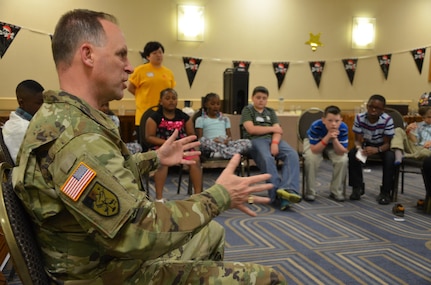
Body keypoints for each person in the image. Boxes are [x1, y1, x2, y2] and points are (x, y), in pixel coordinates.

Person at [12, 9, 285, 284]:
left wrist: (154, 158)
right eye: (121, 54)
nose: (130, 67)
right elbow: (138, 232)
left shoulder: (62, 119)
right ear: (88, 55)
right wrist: (220, 196)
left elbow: (92, 181)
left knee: (211, 232)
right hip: (108, 273)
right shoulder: (77, 141)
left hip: (100, 256)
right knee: (268, 279)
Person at [241, 86, 302, 211]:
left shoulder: (270, 112)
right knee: (267, 158)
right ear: (252, 98)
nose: (261, 101)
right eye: (258, 98)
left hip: (273, 140)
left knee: (292, 154)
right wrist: (272, 129)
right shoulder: (248, 110)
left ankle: (287, 189)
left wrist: (274, 143)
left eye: (264, 98)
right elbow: (251, 129)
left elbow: (278, 131)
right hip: (255, 140)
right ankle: (276, 196)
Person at [145, 88, 202, 202]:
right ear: (161, 101)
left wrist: (178, 143)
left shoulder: (184, 116)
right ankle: (159, 197)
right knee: (161, 162)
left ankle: (198, 195)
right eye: (167, 98)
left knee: (195, 160)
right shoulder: (154, 117)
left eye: (174, 98)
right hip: (161, 147)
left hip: (180, 147)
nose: (171, 101)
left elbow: (191, 134)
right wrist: (168, 144)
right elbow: (149, 137)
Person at [348, 94, 396, 204]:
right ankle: (357, 188)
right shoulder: (359, 117)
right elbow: (357, 140)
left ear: (382, 109)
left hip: (382, 146)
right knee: (353, 154)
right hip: (366, 144)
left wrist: (377, 150)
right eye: (370, 106)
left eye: (377, 108)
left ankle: (385, 192)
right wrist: (359, 148)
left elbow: (388, 144)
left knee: (390, 158)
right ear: (367, 106)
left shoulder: (387, 120)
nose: (373, 110)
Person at [127, 41, 175, 145]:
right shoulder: (140, 70)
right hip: (144, 115)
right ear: (148, 56)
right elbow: (130, 88)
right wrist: (142, 96)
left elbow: (171, 93)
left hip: (163, 116)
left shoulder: (168, 73)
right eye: (155, 53)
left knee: (164, 145)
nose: (159, 55)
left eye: (160, 52)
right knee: (145, 146)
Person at [303, 105, 349, 202]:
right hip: (314, 143)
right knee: (311, 159)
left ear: (341, 120)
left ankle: (335, 191)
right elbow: (315, 150)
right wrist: (328, 136)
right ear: (323, 120)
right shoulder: (316, 126)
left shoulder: (343, 128)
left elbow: (341, 152)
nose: (333, 124)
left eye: (337, 121)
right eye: (330, 120)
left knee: (342, 160)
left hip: (333, 143)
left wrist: (335, 139)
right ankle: (310, 192)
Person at [195, 92, 251, 159]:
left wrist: (227, 141)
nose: (216, 106)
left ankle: (220, 154)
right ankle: (231, 153)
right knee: (202, 141)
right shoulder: (201, 119)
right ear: (206, 105)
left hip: (224, 144)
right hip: (211, 144)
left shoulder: (225, 119)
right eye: (212, 104)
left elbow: (229, 136)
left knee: (248, 142)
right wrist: (213, 141)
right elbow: (200, 138)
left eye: (218, 104)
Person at [2, 79, 44, 164]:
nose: (43, 107)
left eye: (44, 103)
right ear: (21, 102)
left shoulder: (14, 122)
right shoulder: (23, 129)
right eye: (39, 103)